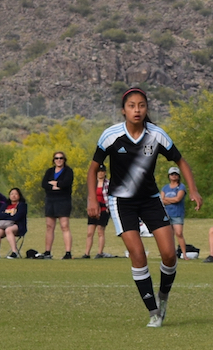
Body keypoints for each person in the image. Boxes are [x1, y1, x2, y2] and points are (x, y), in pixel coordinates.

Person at [87, 87, 203, 328]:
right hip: (121, 202)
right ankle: (153, 312)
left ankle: (163, 297)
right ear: (123, 110)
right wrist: (91, 199)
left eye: (141, 105)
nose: (137, 110)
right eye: (132, 106)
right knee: (138, 255)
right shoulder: (110, 136)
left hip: (150, 200)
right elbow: (93, 168)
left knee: (170, 255)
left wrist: (192, 189)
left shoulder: (156, 135)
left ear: (146, 108)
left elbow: (180, 160)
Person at [41, 151, 74, 259]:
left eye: (61, 158)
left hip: (63, 200)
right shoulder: (49, 171)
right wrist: (55, 186)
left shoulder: (68, 171)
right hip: (50, 199)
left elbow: (66, 183)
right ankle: (47, 252)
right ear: (53, 160)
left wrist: (55, 183)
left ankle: (68, 252)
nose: (59, 160)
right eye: (56, 158)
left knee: (64, 226)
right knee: (49, 226)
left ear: (64, 160)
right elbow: (44, 184)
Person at [0, 188, 26, 258]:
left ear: (19, 196)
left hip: (17, 225)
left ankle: (14, 252)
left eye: (16, 194)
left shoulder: (22, 205)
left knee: (9, 230)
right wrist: (10, 215)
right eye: (12, 194)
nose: (13, 195)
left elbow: (17, 217)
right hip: (4, 225)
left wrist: (6, 215)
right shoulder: (5, 205)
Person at [83, 164, 111, 259]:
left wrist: (108, 208)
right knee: (90, 232)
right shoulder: (93, 184)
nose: (100, 173)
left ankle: (100, 253)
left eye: (102, 171)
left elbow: (109, 197)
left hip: (103, 209)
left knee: (100, 231)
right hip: (93, 210)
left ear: (105, 172)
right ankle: (87, 253)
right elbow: (90, 196)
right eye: (99, 171)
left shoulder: (108, 183)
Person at [160, 166, 188, 260]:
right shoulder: (165, 187)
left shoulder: (181, 187)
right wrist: (170, 200)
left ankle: (184, 254)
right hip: (167, 213)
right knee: (169, 235)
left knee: (179, 233)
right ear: (169, 176)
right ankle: (171, 254)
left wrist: (166, 200)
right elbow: (160, 200)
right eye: (172, 174)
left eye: (176, 174)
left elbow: (178, 199)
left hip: (177, 214)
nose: (174, 176)